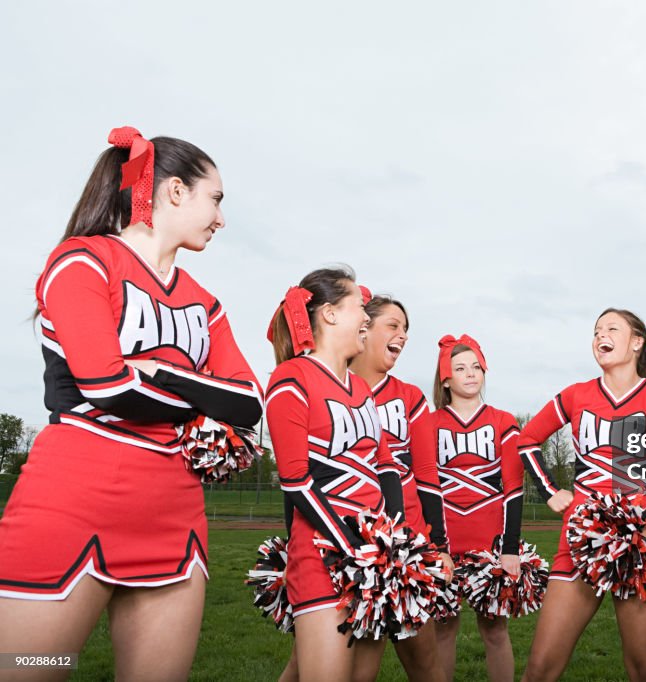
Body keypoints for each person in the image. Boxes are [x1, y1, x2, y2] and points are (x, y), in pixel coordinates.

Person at [0, 127, 262, 680]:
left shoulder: (206, 303)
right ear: (173, 191)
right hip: (72, 504)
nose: (221, 218)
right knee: (26, 669)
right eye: (214, 199)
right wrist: (199, 395)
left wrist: (159, 374)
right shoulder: (82, 262)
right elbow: (108, 388)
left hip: (174, 517)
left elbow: (247, 404)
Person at [518, 308, 646, 682]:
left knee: (645, 670)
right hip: (579, 540)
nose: (600, 336)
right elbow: (526, 440)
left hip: (638, 545)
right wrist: (549, 491)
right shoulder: (576, 394)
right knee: (540, 668)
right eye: (596, 331)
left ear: (637, 342)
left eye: (611, 329)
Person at [265, 268, 404, 681]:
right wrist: (351, 546)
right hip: (323, 557)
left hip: (371, 558)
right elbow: (295, 481)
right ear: (328, 314)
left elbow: (384, 467)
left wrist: (390, 543)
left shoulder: (360, 388)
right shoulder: (291, 379)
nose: (367, 317)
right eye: (360, 307)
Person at [350, 294, 451, 682]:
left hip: (406, 545)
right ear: (364, 327)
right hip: (349, 546)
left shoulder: (410, 398)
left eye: (406, 329)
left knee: (425, 665)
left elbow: (428, 475)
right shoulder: (331, 385)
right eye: (393, 325)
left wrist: (437, 546)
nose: (403, 335)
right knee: (356, 667)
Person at [411, 334, 523, 682]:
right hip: (443, 546)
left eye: (476, 367)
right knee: (443, 631)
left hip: (490, 547)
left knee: (495, 631)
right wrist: (436, 547)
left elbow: (514, 488)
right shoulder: (427, 423)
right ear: (445, 379)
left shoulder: (504, 422)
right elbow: (426, 487)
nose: (471, 374)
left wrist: (509, 549)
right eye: (460, 368)